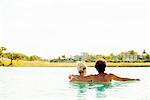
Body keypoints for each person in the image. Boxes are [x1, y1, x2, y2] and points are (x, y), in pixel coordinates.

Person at [69, 59, 140, 82]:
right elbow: (122, 79)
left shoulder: (92, 77)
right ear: (105, 67)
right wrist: (134, 79)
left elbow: (81, 78)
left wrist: (72, 75)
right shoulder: (110, 76)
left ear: (96, 68)